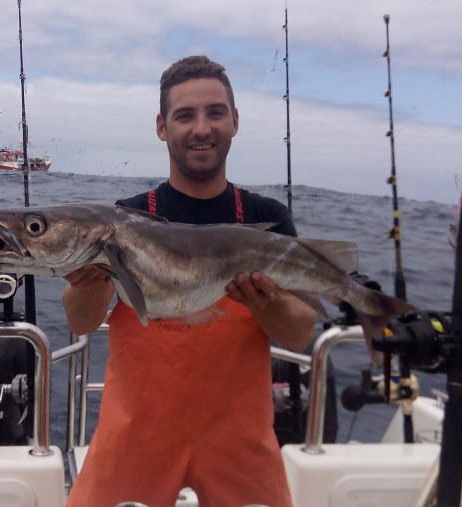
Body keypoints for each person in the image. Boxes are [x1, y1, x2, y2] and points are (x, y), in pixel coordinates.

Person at [62, 55, 316, 507]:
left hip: (239, 441)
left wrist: (264, 301)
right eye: (185, 115)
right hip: (136, 436)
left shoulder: (267, 220)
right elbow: (81, 323)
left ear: (235, 121)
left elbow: (298, 333)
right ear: (162, 127)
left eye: (215, 112)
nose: (202, 128)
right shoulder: (124, 217)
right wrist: (87, 280)